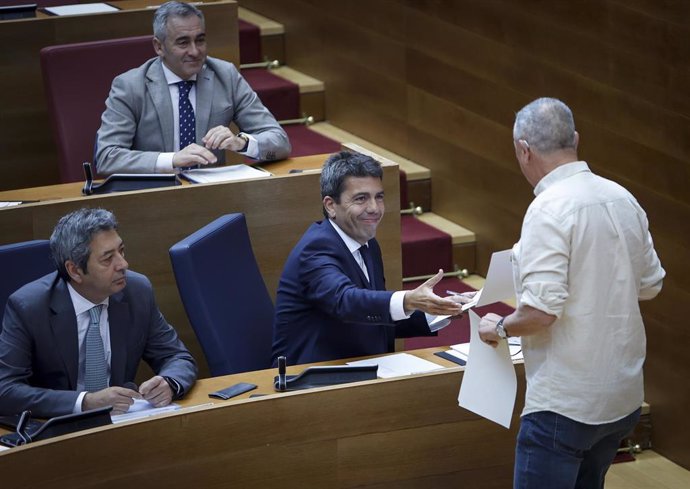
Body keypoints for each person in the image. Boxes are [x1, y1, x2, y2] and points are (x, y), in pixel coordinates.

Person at [478, 98, 665, 489]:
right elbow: (651, 285)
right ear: (575, 139)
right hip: (622, 397)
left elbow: (541, 313)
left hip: (565, 406)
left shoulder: (548, 209)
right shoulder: (622, 197)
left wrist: (500, 327)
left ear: (523, 150)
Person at [272, 151, 469, 365]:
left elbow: (374, 314)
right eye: (361, 199)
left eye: (379, 197)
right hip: (310, 379)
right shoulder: (315, 249)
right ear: (330, 206)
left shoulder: (367, 243)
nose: (374, 208)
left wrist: (439, 310)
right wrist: (408, 299)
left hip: (358, 367)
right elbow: (346, 301)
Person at [0, 208, 197, 418]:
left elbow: (176, 356)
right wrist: (85, 402)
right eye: (107, 259)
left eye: (121, 251)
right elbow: (5, 390)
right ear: (75, 270)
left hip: (120, 424)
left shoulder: (137, 291)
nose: (123, 264)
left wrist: (169, 382)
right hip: (55, 430)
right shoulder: (29, 306)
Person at [95, 1, 290, 175]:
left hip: (210, 195)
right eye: (183, 42)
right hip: (153, 195)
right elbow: (107, 156)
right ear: (159, 46)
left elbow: (280, 142)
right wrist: (171, 160)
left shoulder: (225, 75)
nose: (195, 51)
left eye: (200, 40)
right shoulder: (130, 86)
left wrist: (242, 142)